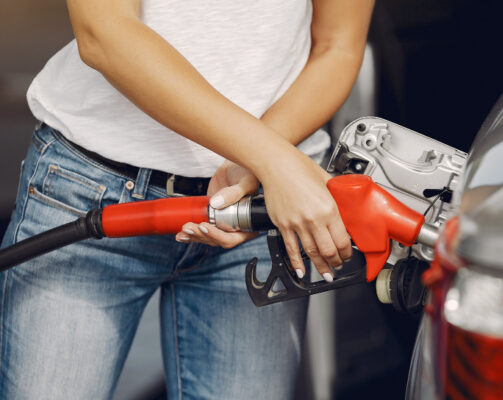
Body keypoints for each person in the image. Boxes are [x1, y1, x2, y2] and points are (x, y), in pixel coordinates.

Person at [0, 0, 374, 398]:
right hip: (92, 190)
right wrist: (272, 159)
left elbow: (337, 46)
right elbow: (102, 33)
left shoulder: (270, 170)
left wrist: (261, 165)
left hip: (261, 210)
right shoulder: (274, 162)